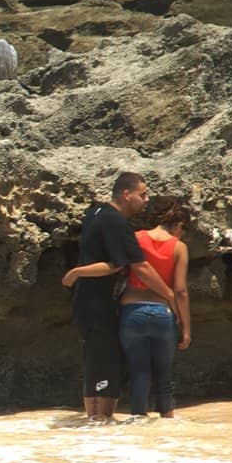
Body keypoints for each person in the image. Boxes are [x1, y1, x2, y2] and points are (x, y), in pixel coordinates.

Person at [61, 173, 176, 423]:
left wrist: (79, 273)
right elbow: (138, 266)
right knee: (108, 363)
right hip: (101, 305)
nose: (146, 200)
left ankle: (94, 423)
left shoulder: (95, 213)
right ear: (126, 194)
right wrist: (168, 294)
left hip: (84, 303)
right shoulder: (117, 223)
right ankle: (101, 421)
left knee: (93, 361)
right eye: (142, 194)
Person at [120, 203, 192, 419]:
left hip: (132, 312)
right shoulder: (179, 247)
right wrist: (187, 327)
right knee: (164, 374)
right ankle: (167, 425)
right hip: (162, 314)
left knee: (139, 371)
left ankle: (138, 421)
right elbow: (180, 291)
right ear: (179, 224)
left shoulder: (136, 237)